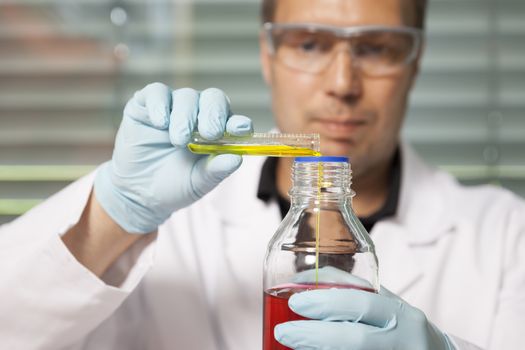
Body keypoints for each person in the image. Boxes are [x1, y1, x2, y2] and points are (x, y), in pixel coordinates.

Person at [1, 0, 523, 349]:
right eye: (310, 44)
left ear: (415, 60)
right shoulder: (179, 219)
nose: (342, 84)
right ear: (267, 54)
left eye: (375, 48)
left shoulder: (503, 234)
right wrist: (114, 215)